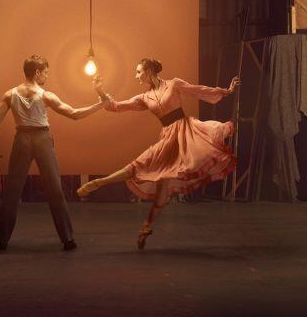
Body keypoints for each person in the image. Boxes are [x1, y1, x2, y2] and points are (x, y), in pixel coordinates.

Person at [77, 58, 240, 249]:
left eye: (138, 72)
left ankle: (102, 185)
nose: (136, 75)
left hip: (187, 133)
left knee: (165, 181)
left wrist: (225, 91)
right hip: (168, 139)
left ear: (149, 71)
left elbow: (198, 90)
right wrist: (99, 90)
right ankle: (140, 221)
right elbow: (116, 106)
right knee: (154, 180)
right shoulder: (144, 98)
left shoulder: (174, 84)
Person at [0, 54, 107, 251]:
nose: (47, 76)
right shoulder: (46, 96)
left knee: (12, 192)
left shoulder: (10, 94)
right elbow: (74, 114)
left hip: (22, 140)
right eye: (45, 72)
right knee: (55, 190)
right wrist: (100, 105)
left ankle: (2, 240)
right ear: (37, 72)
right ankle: (68, 239)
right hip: (42, 139)